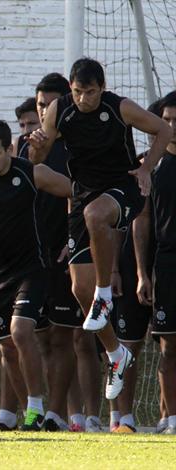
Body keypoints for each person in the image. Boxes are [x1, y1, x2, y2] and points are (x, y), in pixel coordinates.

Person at [28, 58, 173, 401]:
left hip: (123, 189)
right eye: (77, 92)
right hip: (83, 197)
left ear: (102, 88)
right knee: (80, 288)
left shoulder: (119, 107)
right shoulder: (59, 111)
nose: (83, 99)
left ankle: (105, 294)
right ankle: (115, 355)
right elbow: (37, 159)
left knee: (96, 217)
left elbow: (163, 130)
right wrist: (35, 145)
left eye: (90, 92)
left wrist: (147, 169)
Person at [0, 119, 72, 431]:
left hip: (31, 268)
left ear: (9, 148)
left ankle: (36, 407)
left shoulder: (32, 173)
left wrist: (74, 239)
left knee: (21, 331)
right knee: (6, 346)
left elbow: (76, 192)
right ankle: (29, 415)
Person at [18, 73, 101, 432]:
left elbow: (81, 196)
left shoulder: (78, 144)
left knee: (69, 334)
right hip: (31, 256)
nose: (43, 113)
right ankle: (54, 413)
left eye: (49, 106)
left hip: (67, 251)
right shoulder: (27, 148)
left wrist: (72, 241)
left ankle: (66, 415)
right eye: (39, 106)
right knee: (39, 335)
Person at [134, 90, 176, 434]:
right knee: (168, 343)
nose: (173, 126)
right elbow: (142, 220)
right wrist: (140, 273)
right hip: (166, 262)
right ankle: (169, 418)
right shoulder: (150, 164)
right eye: (168, 121)